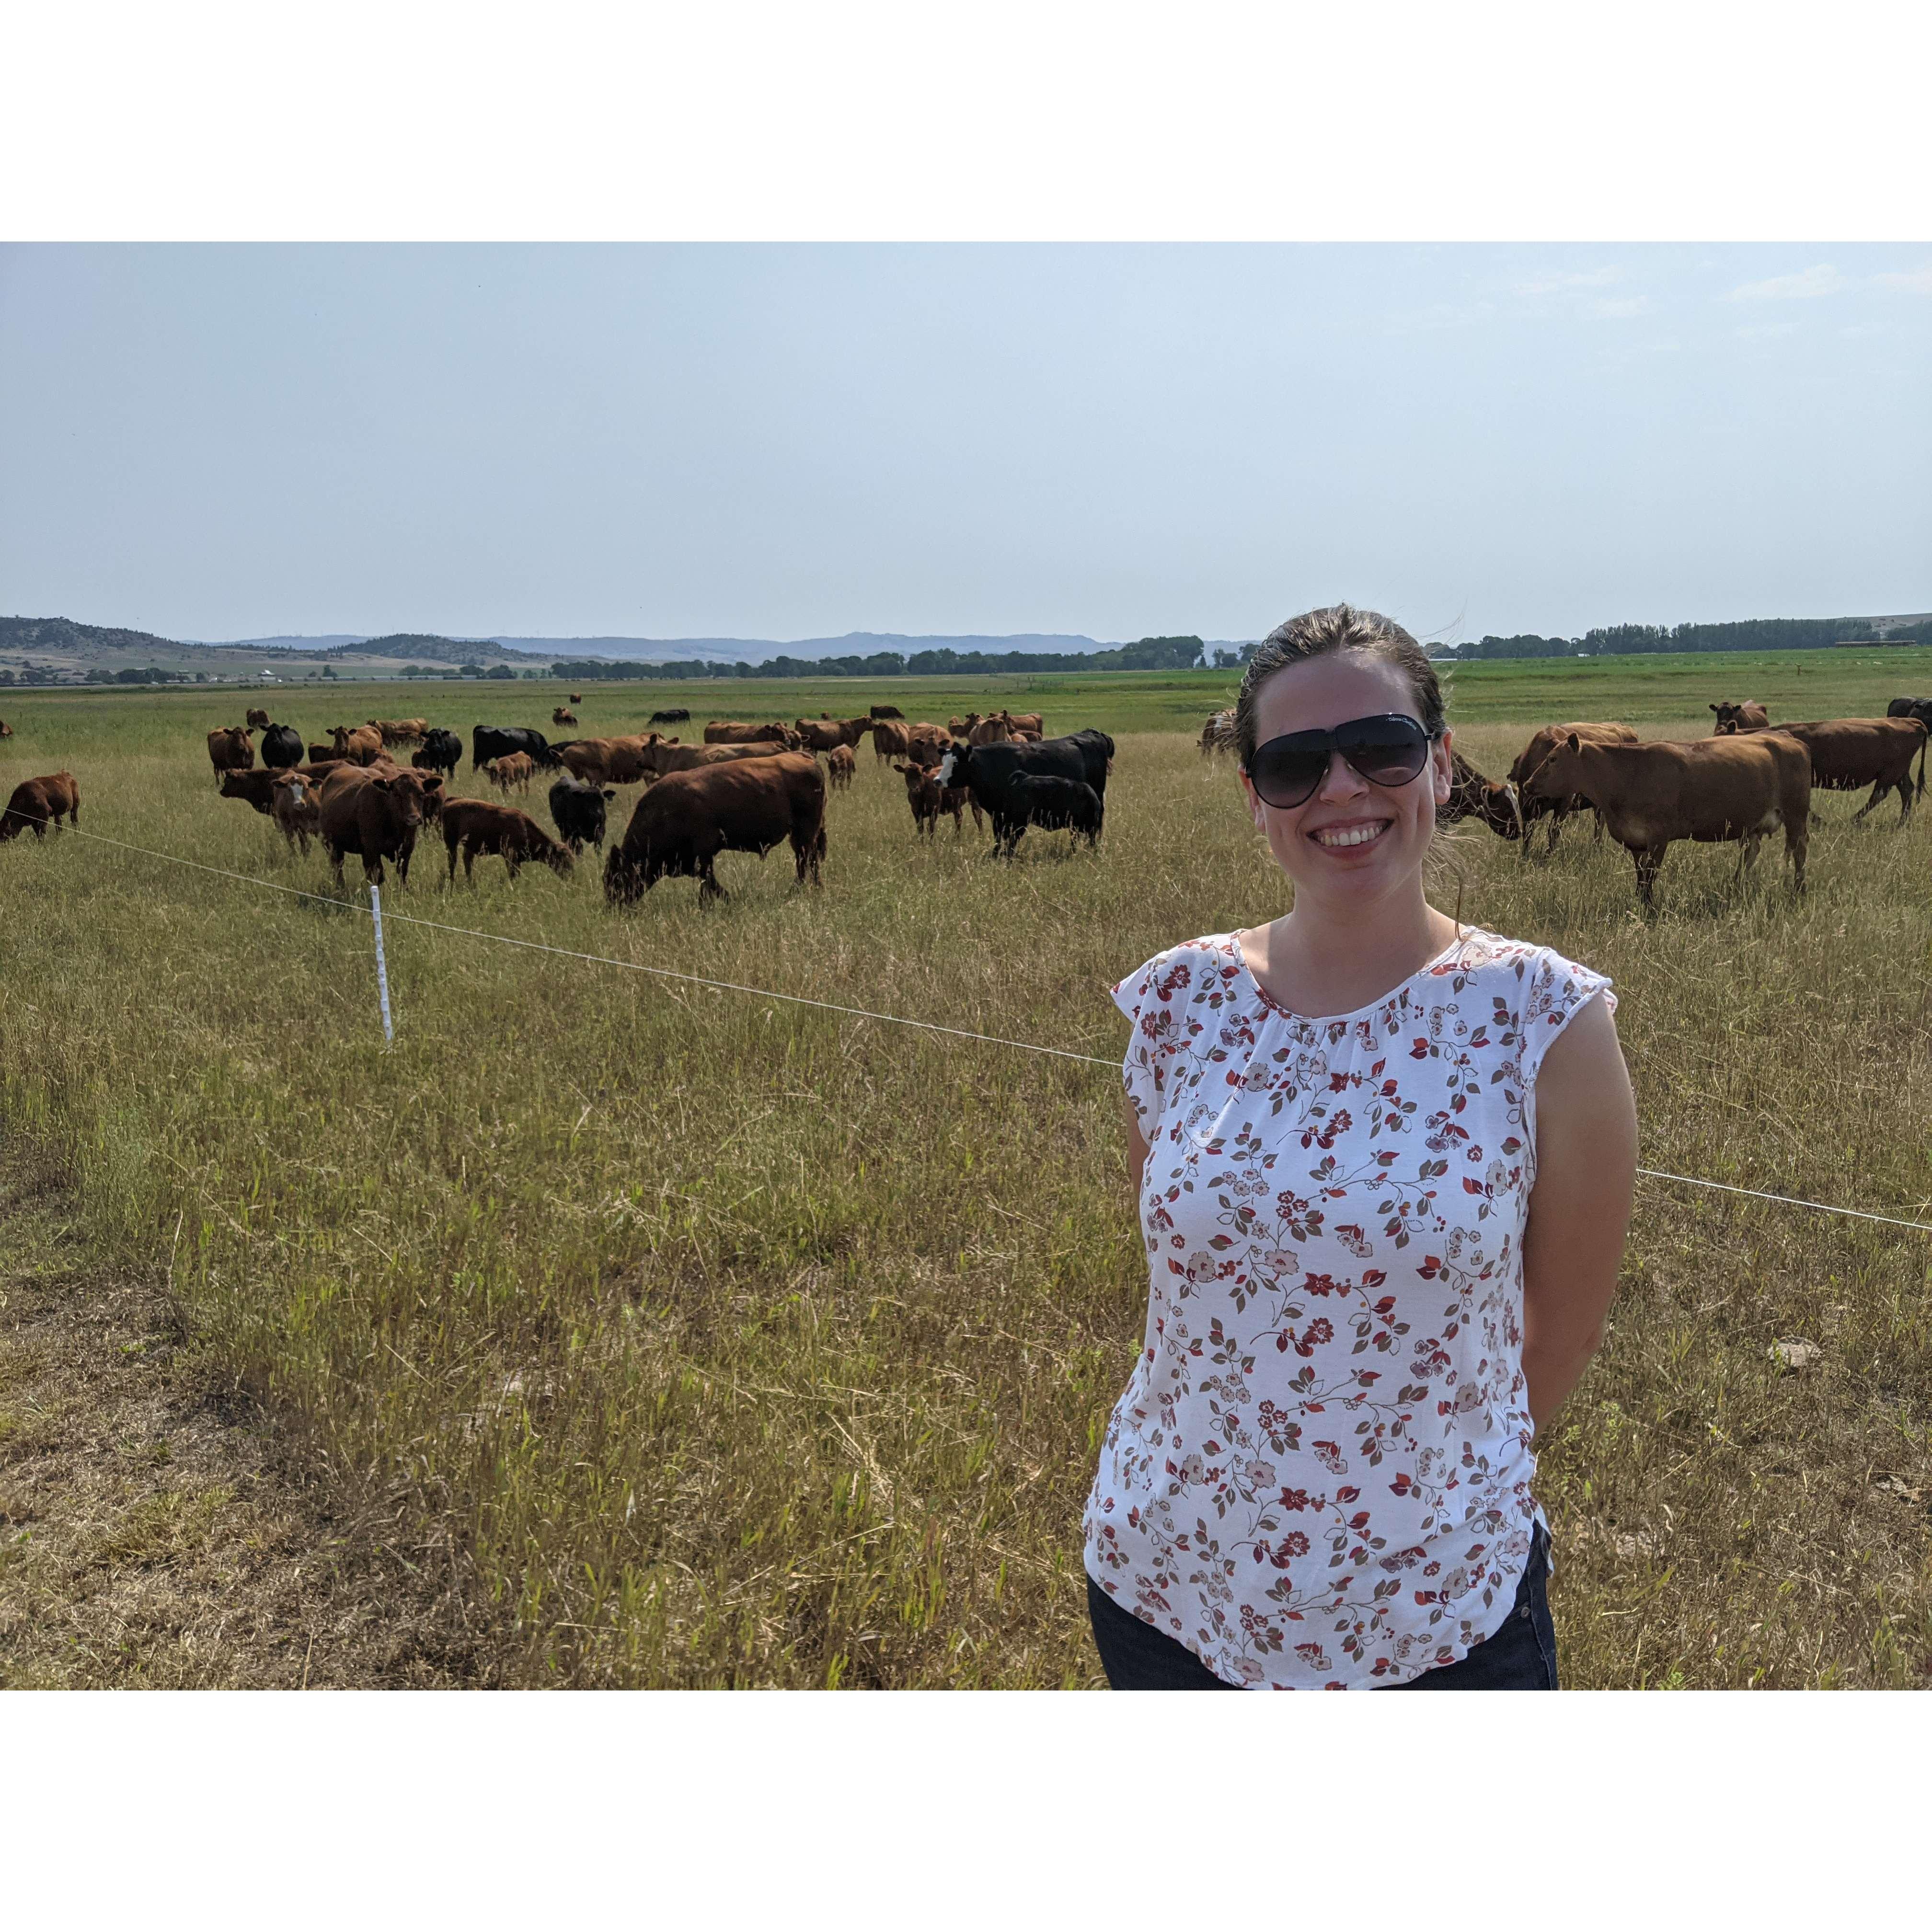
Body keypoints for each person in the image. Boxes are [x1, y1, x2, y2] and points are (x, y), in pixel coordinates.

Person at [1085, 604, 1636, 1690]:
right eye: (1294, 764)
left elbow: (1563, 1335)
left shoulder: (1545, 1018)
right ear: (1254, 796)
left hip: (1432, 1616)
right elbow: (1178, 1296)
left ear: (1441, 765)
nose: (1341, 788)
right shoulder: (1179, 1001)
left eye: (1380, 748)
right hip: (1165, 1585)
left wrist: (1406, 1497)